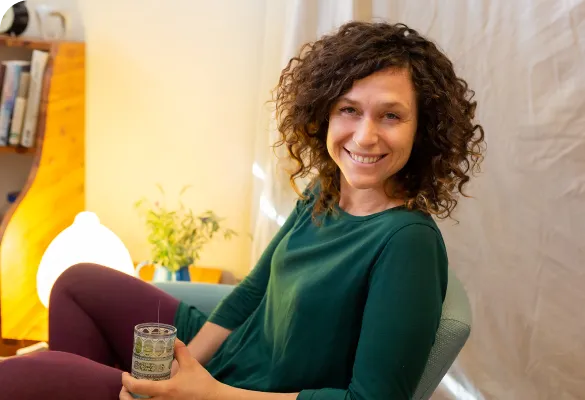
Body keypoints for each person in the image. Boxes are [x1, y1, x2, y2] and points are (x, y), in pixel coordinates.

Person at [0, 21, 485, 400]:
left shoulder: (407, 243)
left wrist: (209, 393)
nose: (365, 136)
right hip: (230, 359)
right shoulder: (325, 191)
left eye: (391, 115)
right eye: (349, 109)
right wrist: (183, 369)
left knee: (25, 375)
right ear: (323, 113)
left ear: (423, 130)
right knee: (77, 283)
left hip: (248, 393)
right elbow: (253, 291)